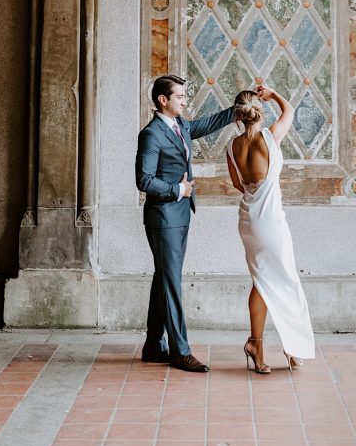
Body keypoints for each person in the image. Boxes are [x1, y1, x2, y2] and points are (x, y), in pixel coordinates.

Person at [135, 74, 234, 372]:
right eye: (179, 96)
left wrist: (238, 106)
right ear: (163, 100)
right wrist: (179, 190)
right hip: (163, 217)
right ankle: (180, 351)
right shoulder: (152, 134)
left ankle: (154, 345)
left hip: (179, 216)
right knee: (171, 282)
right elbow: (144, 180)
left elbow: (208, 123)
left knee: (164, 277)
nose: (184, 100)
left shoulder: (181, 127)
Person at [226, 86, 315, 373]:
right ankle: (291, 347)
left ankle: (257, 344)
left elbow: (239, 185)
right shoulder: (270, 136)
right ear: (259, 112)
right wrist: (275, 94)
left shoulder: (232, 146)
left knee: (262, 281)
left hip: (249, 220)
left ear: (239, 115)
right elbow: (290, 111)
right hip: (272, 221)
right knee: (285, 279)